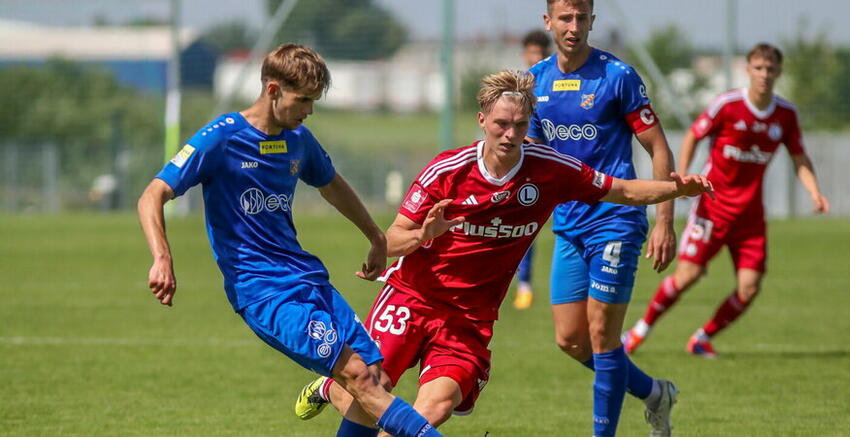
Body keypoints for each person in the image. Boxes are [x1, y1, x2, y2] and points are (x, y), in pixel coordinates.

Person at [293, 70, 713, 437]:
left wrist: (678, 189)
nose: (510, 134)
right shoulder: (447, 171)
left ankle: (338, 390)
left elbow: (620, 189)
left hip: (469, 319)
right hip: (411, 297)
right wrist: (427, 232)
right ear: (482, 122)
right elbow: (391, 241)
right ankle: (334, 388)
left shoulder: (550, 169)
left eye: (520, 124)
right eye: (501, 124)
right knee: (368, 392)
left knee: (436, 407)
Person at [136, 43, 442, 437]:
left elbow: (331, 184)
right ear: (273, 89)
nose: (309, 110)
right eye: (304, 100)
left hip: (309, 279)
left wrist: (375, 236)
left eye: (314, 100)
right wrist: (162, 257)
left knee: (376, 380)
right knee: (358, 378)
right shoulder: (222, 138)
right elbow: (153, 194)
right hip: (264, 291)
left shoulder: (298, 139)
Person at [527, 1, 679, 435]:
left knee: (601, 335)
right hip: (569, 225)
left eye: (581, 18)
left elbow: (659, 147)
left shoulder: (618, 77)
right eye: (565, 18)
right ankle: (655, 393)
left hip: (617, 217)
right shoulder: (534, 82)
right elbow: (535, 159)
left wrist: (664, 219)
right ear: (548, 22)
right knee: (570, 340)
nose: (573, 27)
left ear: (593, 20)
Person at [622, 43, 830, 358]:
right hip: (713, 208)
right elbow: (694, 134)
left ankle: (702, 338)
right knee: (687, 276)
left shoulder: (785, 115)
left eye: (770, 69)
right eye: (758, 68)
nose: (764, 75)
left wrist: (814, 191)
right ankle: (638, 333)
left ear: (778, 72)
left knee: (749, 288)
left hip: (750, 217)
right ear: (748, 70)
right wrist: (683, 174)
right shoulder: (728, 105)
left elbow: (799, 157)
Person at [513, 28, 552, 310]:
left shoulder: (553, 83)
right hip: (523, 169)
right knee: (520, 227)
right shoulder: (516, 88)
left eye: (541, 53)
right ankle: (523, 285)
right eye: (532, 53)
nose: (536, 57)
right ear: (525, 54)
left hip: (552, 168)